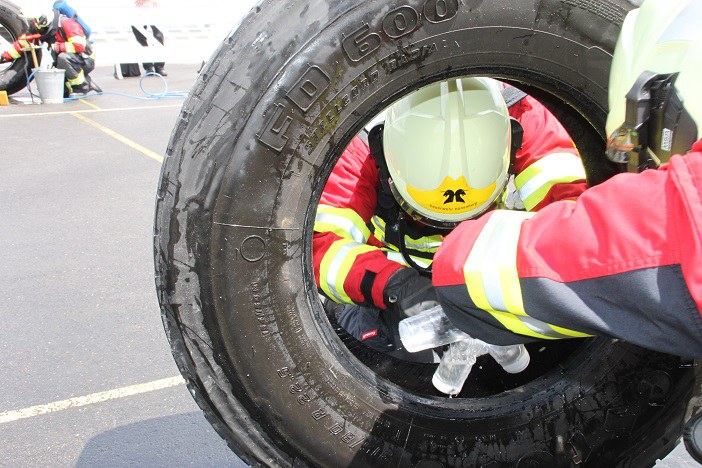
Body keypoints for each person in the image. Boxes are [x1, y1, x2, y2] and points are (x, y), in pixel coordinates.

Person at [432, 0, 702, 358]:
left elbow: (469, 274)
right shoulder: (362, 157)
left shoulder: (527, 123)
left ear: (668, 117)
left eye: (640, 155)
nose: (647, 175)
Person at [314, 77, 588, 361]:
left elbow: (574, 219)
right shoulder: (357, 148)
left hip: (493, 273)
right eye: (422, 213)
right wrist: (394, 286)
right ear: (387, 164)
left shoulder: (524, 115)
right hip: (395, 282)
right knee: (376, 347)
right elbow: (323, 247)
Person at [0, 12, 95, 97]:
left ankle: (81, 87)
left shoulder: (67, 23)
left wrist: (57, 47)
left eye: (33, 21)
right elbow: (22, 45)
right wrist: (3, 57)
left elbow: (79, 46)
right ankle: (86, 82)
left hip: (84, 59)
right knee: (62, 92)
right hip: (68, 60)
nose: (32, 23)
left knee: (63, 57)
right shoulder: (43, 30)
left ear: (43, 20)